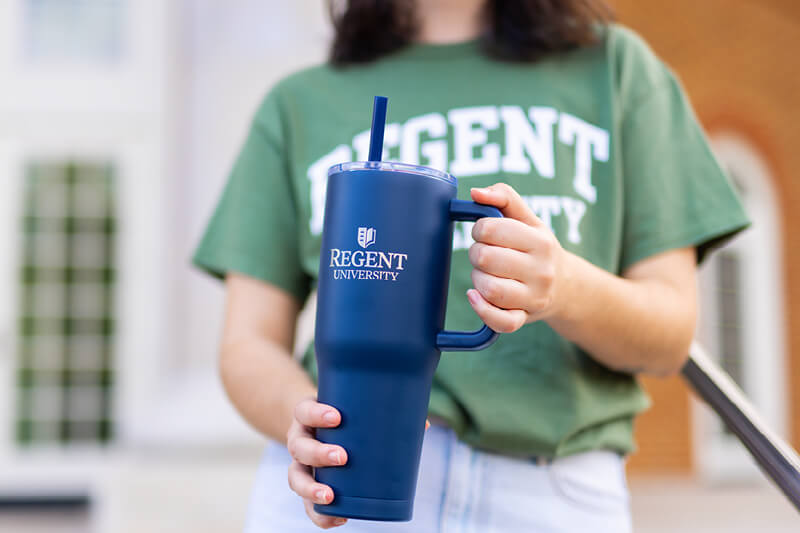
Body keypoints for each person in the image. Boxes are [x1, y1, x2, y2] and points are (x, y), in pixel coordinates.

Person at [193, 0, 750, 531]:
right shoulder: (300, 103)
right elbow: (248, 344)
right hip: (346, 475)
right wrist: (305, 421)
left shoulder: (615, 70)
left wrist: (564, 287)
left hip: (553, 495)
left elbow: (671, 333)